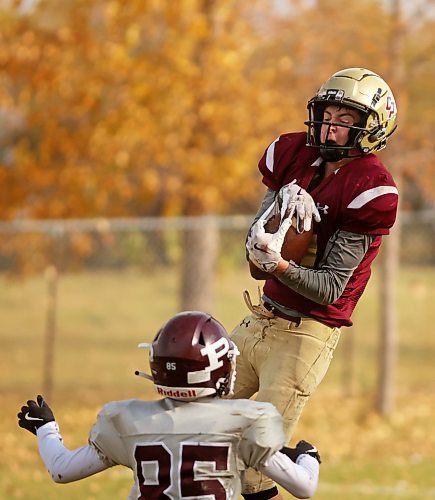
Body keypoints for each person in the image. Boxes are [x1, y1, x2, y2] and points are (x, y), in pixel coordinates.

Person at [230, 67, 399, 499]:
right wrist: (262, 240)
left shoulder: (370, 188)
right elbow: (258, 252)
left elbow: (328, 288)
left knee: (255, 466)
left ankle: (285, 476)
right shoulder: (294, 156)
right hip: (259, 319)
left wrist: (280, 264)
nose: (330, 125)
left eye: (345, 119)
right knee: (189, 422)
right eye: (328, 114)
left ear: (369, 128)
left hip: (305, 334)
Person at [18, 311, 321, 499]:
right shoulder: (241, 426)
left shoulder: (131, 422)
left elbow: (61, 470)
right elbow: (304, 488)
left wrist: (45, 428)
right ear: (217, 369)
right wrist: (308, 457)